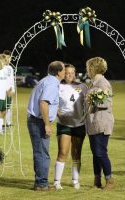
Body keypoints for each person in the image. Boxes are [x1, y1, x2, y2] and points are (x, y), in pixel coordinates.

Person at [27, 61, 65, 191]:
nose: (64, 72)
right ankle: (41, 184)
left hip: (37, 120)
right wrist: (47, 125)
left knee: (40, 152)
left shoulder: (47, 80)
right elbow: (44, 103)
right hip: (39, 121)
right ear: (58, 72)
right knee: (42, 153)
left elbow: (51, 103)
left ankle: (41, 181)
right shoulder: (51, 83)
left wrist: (60, 115)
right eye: (64, 70)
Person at [53, 64, 87, 190]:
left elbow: (89, 103)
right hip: (64, 125)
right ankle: (57, 181)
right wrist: (58, 113)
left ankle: (75, 180)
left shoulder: (82, 87)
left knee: (77, 154)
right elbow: (52, 103)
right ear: (62, 73)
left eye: (72, 73)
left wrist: (86, 115)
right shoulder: (58, 86)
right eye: (67, 73)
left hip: (79, 125)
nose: (70, 75)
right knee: (63, 152)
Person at [85, 57, 114, 189]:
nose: (86, 70)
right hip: (93, 122)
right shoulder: (93, 83)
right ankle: (97, 180)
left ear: (93, 68)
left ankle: (109, 180)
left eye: (88, 67)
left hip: (101, 121)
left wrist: (93, 100)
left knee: (100, 152)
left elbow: (106, 102)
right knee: (95, 153)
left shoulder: (103, 83)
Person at [3, 50, 15, 127]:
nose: (7, 59)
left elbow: (12, 80)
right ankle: (1, 123)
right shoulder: (1, 67)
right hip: (3, 91)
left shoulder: (11, 68)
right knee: (2, 108)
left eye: (9, 57)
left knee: (9, 107)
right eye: (6, 57)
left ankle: (8, 122)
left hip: (10, 91)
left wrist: (13, 89)